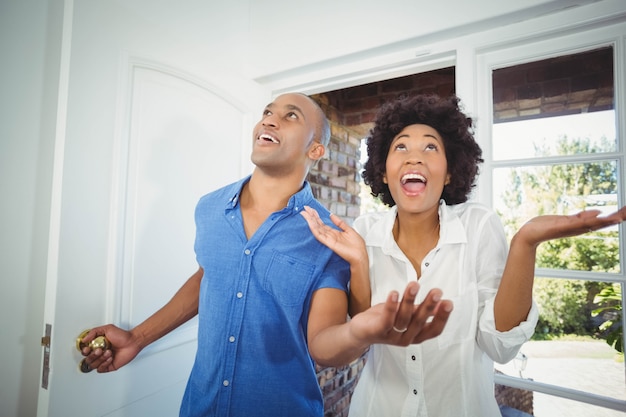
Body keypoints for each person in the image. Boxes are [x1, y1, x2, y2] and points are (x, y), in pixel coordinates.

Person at [79, 92, 453, 417]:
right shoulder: (209, 208)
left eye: (291, 115)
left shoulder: (326, 237)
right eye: (268, 112)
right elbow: (211, 275)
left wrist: (360, 330)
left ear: (315, 150)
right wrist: (137, 338)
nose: (270, 119)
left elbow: (324, 345)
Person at [300, 93, 626, 417]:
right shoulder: (365, 229)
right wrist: (359, 263)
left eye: (431, 146)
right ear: (384, 172)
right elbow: (361, 331)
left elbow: (500, 346)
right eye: (401, 146)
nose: (415, 157)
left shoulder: (479, 225)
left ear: (450, 172)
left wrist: (525, 242)